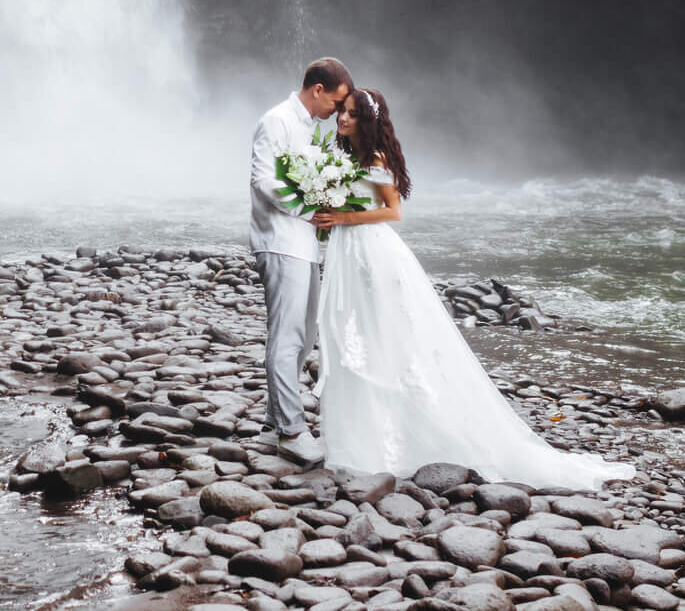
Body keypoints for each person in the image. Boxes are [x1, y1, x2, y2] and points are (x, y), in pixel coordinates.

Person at [311, 87, 634, 487]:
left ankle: (392, 442)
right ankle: (358, 438)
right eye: (342, 112)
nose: (343, 119)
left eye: (353, 115)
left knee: (384, 342)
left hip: (374, 258)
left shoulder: (375, 158)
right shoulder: (343, 158)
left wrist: (343, 218)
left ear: (369, 121)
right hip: (349, 255)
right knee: (353, 339)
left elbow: (393, 212)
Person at [248, 57, 354, 466]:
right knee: (288, 336)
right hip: (278, 239)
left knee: (305, 336)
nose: (338, 111)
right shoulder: (276, 120)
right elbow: (264, 179)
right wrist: (311, 208)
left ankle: (274, 424)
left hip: (303, 243)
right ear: (318, 90)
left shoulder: (311, 128)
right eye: (337, 101)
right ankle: (292, 431)